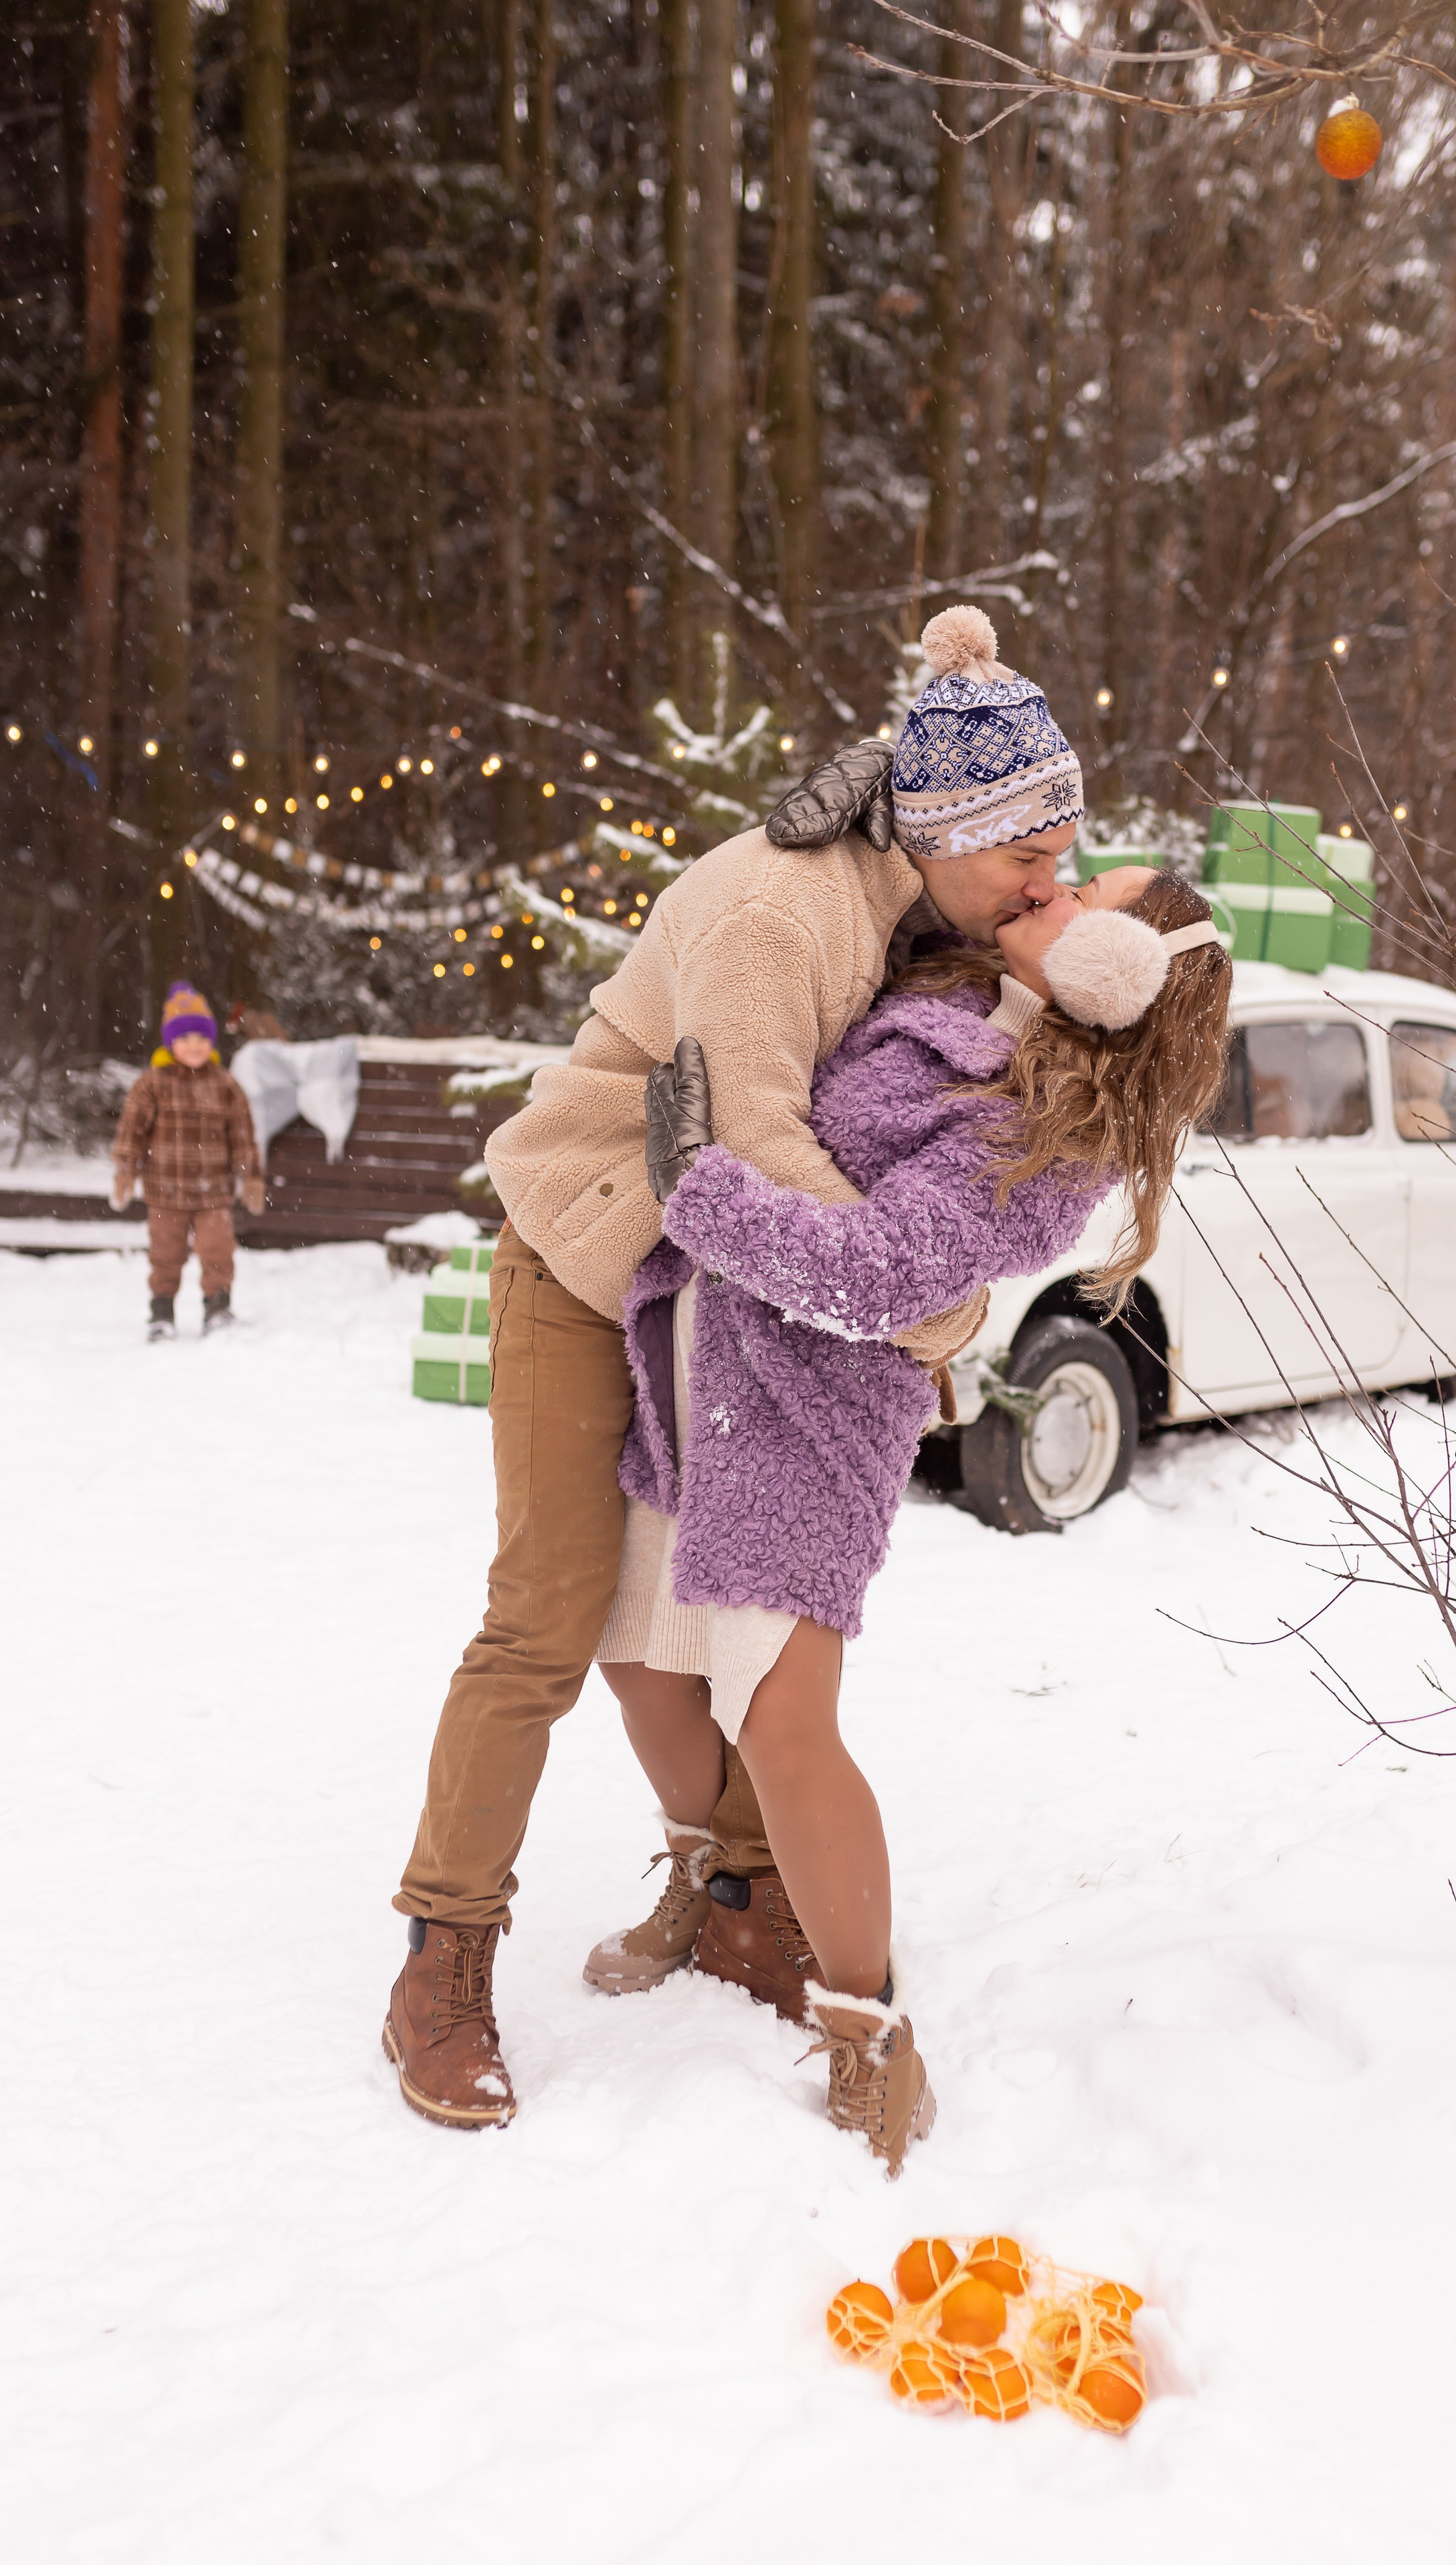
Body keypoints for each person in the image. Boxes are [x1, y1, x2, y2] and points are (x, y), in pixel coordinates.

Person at [384, 604, 1081, 2131]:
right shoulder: (782, 917)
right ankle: (441, 1955)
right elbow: (758, 1161)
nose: (1054, 882)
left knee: (737, 1610)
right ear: (947, 829)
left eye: (1065, 846)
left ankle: (742, 1903)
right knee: (553, 1612)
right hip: (589, 1258)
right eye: (1030, 851)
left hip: (727, 1287)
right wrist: (934, 1320)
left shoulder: (933, 919)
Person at [596, 861, 1232, 2171]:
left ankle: (866, 2024)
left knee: (780, 1719)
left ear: (1123, 972)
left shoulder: (1048, 1131)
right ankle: (715, 1884)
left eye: (1081, 905)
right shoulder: (942, 990)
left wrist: (700, 1187)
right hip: (698, 1354)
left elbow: (881, 1271)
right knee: (639, 1662)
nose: (1049, 898)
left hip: (810, 1412)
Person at [112, 980, 264, 1341]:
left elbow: (242, 1136)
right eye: (185, 1039)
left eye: (201, 1038)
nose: (194, 1046)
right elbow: (131, 1131)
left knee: (218, 1253)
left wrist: (251, 1178)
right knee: (166, 1254)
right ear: (170, 1043)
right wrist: (125, 1172)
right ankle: (161, 1312)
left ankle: (218, 1308)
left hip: (214, 1193)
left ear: (211, 1042)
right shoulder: (152, 1084)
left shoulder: (226, 1085)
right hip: (166, 1192)